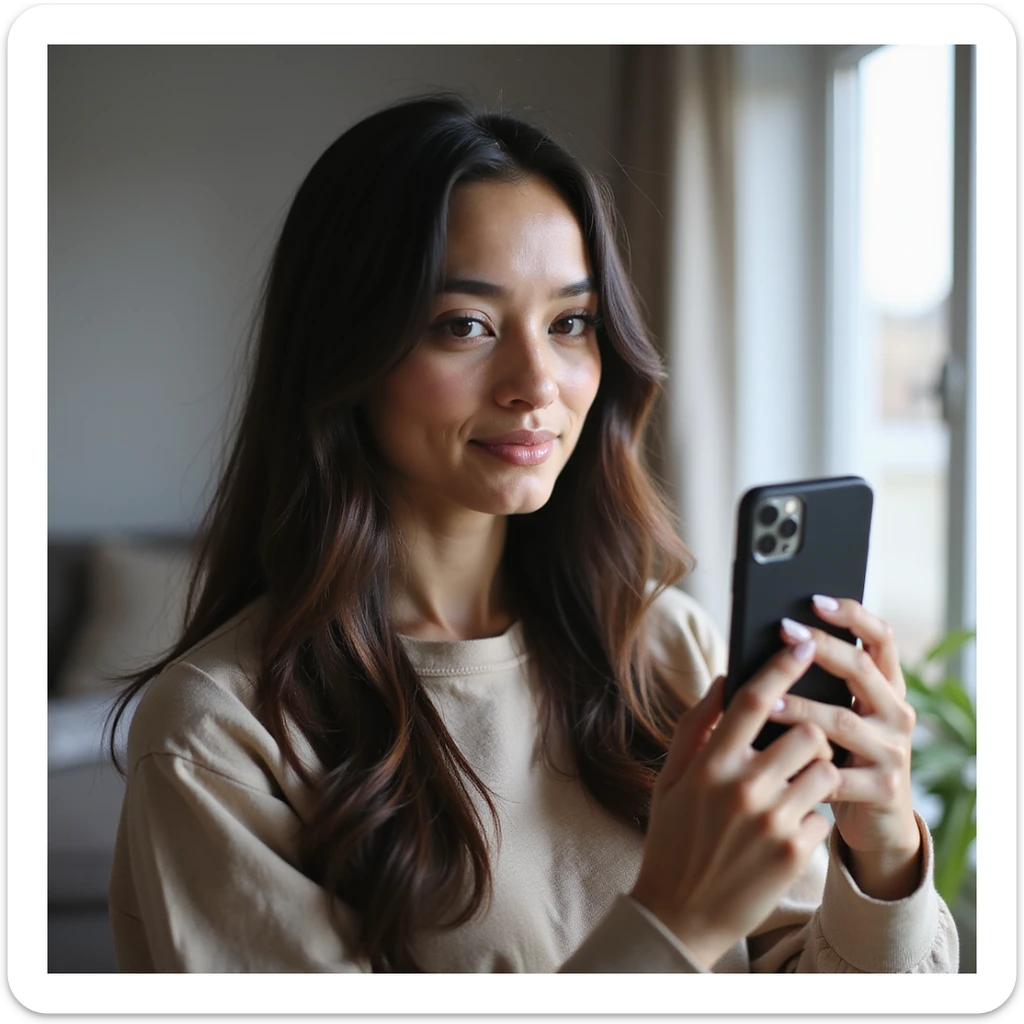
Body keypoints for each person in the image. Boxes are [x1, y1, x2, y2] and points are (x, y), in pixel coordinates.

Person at [106, 93, 959, 974]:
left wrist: (883, 859)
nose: (535, 382)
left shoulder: (664, 647)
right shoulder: (222, 738)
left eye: (570, 323)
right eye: (465, 325)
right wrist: (675, 923)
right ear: (345, 353)